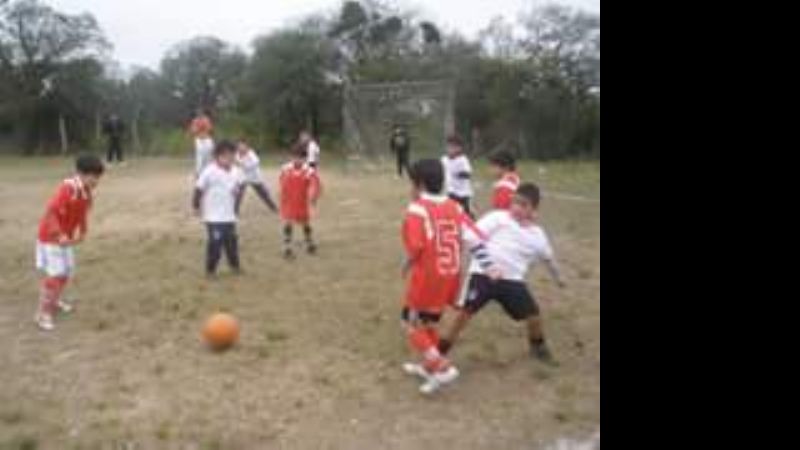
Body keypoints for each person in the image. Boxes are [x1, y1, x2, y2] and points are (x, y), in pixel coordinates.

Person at [399, 159, 500, 395]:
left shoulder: (417, 209)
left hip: (428, 277)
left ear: (419, 185)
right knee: (428, 323)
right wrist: (489, 266)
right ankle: (430, 368)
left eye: (411, 183)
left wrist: (408, 262)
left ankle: (442, 367)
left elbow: (416, 246)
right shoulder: (455, 206)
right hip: (450, 276)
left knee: (409, 323)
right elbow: (474, 238)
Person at [437, 183, 566, 364]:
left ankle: (538, 346)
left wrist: (559, 278)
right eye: (515, 202)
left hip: (512, 281)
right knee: (463, 314)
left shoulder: (538, 235)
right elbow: (471, 236)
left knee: (534, 316)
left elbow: (549, 259)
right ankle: (439, 352)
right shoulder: (498, 217)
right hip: (483, 275)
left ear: (534, 209)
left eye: (523, 205)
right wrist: (488, 265)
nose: (517, 208)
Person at [34, 154, 105, 331]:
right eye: (93, 177)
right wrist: (58, 234)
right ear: (81, 173)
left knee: (65, 273)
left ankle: (55, 300)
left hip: (64, 239)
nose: (96, 181)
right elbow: (51, 212)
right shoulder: (68, 188)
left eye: (98, 177)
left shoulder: (86, 193)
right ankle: (43, 314)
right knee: (56, 275)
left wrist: (83, 231)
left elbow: (82, 214)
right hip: (51, 238)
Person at [192, 140, 245, 277]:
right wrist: (196, 206)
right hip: (213, 217)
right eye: (226, 156)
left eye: (232, 155)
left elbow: (241, 185)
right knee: (215, 244)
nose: (230, 158)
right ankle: (211, 270)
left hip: (229, 216)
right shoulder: (209, 171)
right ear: (217, 156)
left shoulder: (236, 171)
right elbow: (198, 189)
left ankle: (235, 267)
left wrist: (237, 204)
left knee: (231, 243)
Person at [279, 144, 321, 259]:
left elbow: (316, 184)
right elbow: (281, 180)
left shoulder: (309, 171)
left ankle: (309, 242)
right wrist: (283, 194)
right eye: (295, 157)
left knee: (305, 223)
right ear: (291, 157)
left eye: (300, 158)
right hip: (288, 201)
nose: (297, 160)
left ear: (305, 158)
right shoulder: (285, 168)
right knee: (288, 223)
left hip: (301, 201)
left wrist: (314, 196)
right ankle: (287, 247)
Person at [235, 138, 278, 214]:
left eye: (242, 145)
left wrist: (242, 164)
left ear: (246, 146)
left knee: (263, 194)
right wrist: (240, 164)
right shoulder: (237, 154)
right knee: (238, 194)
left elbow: (255, 163)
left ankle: (274, 208)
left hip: (254, 177)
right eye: (239, 145)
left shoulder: (251, 154)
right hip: (243, 177)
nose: (241, 147)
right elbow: (236, 164)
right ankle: (235, 211)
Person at [441, 135, 474, 218]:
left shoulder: (463, 160)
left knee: (465, 213)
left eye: (453, 147)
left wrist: (459, 174)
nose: (450, 149)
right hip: (450, 191)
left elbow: (468, 173)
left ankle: (470, 220)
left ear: (459, 148)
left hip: (462, 193)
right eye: (449, 146)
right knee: (450, 212)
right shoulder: (444, 159)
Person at [189, 108, 214, 176]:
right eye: (198, 113)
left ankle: (208, 172)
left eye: (201, 113)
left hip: (207, 139)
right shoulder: (195, 121)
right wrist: (198, 127)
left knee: (208, 156)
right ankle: (198, 173)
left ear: (203, 113)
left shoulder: (207, 120)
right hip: (199, 140)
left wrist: (203, 126)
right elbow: (193, 131)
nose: (199, 114)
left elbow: (210, 129)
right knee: (199, 156)